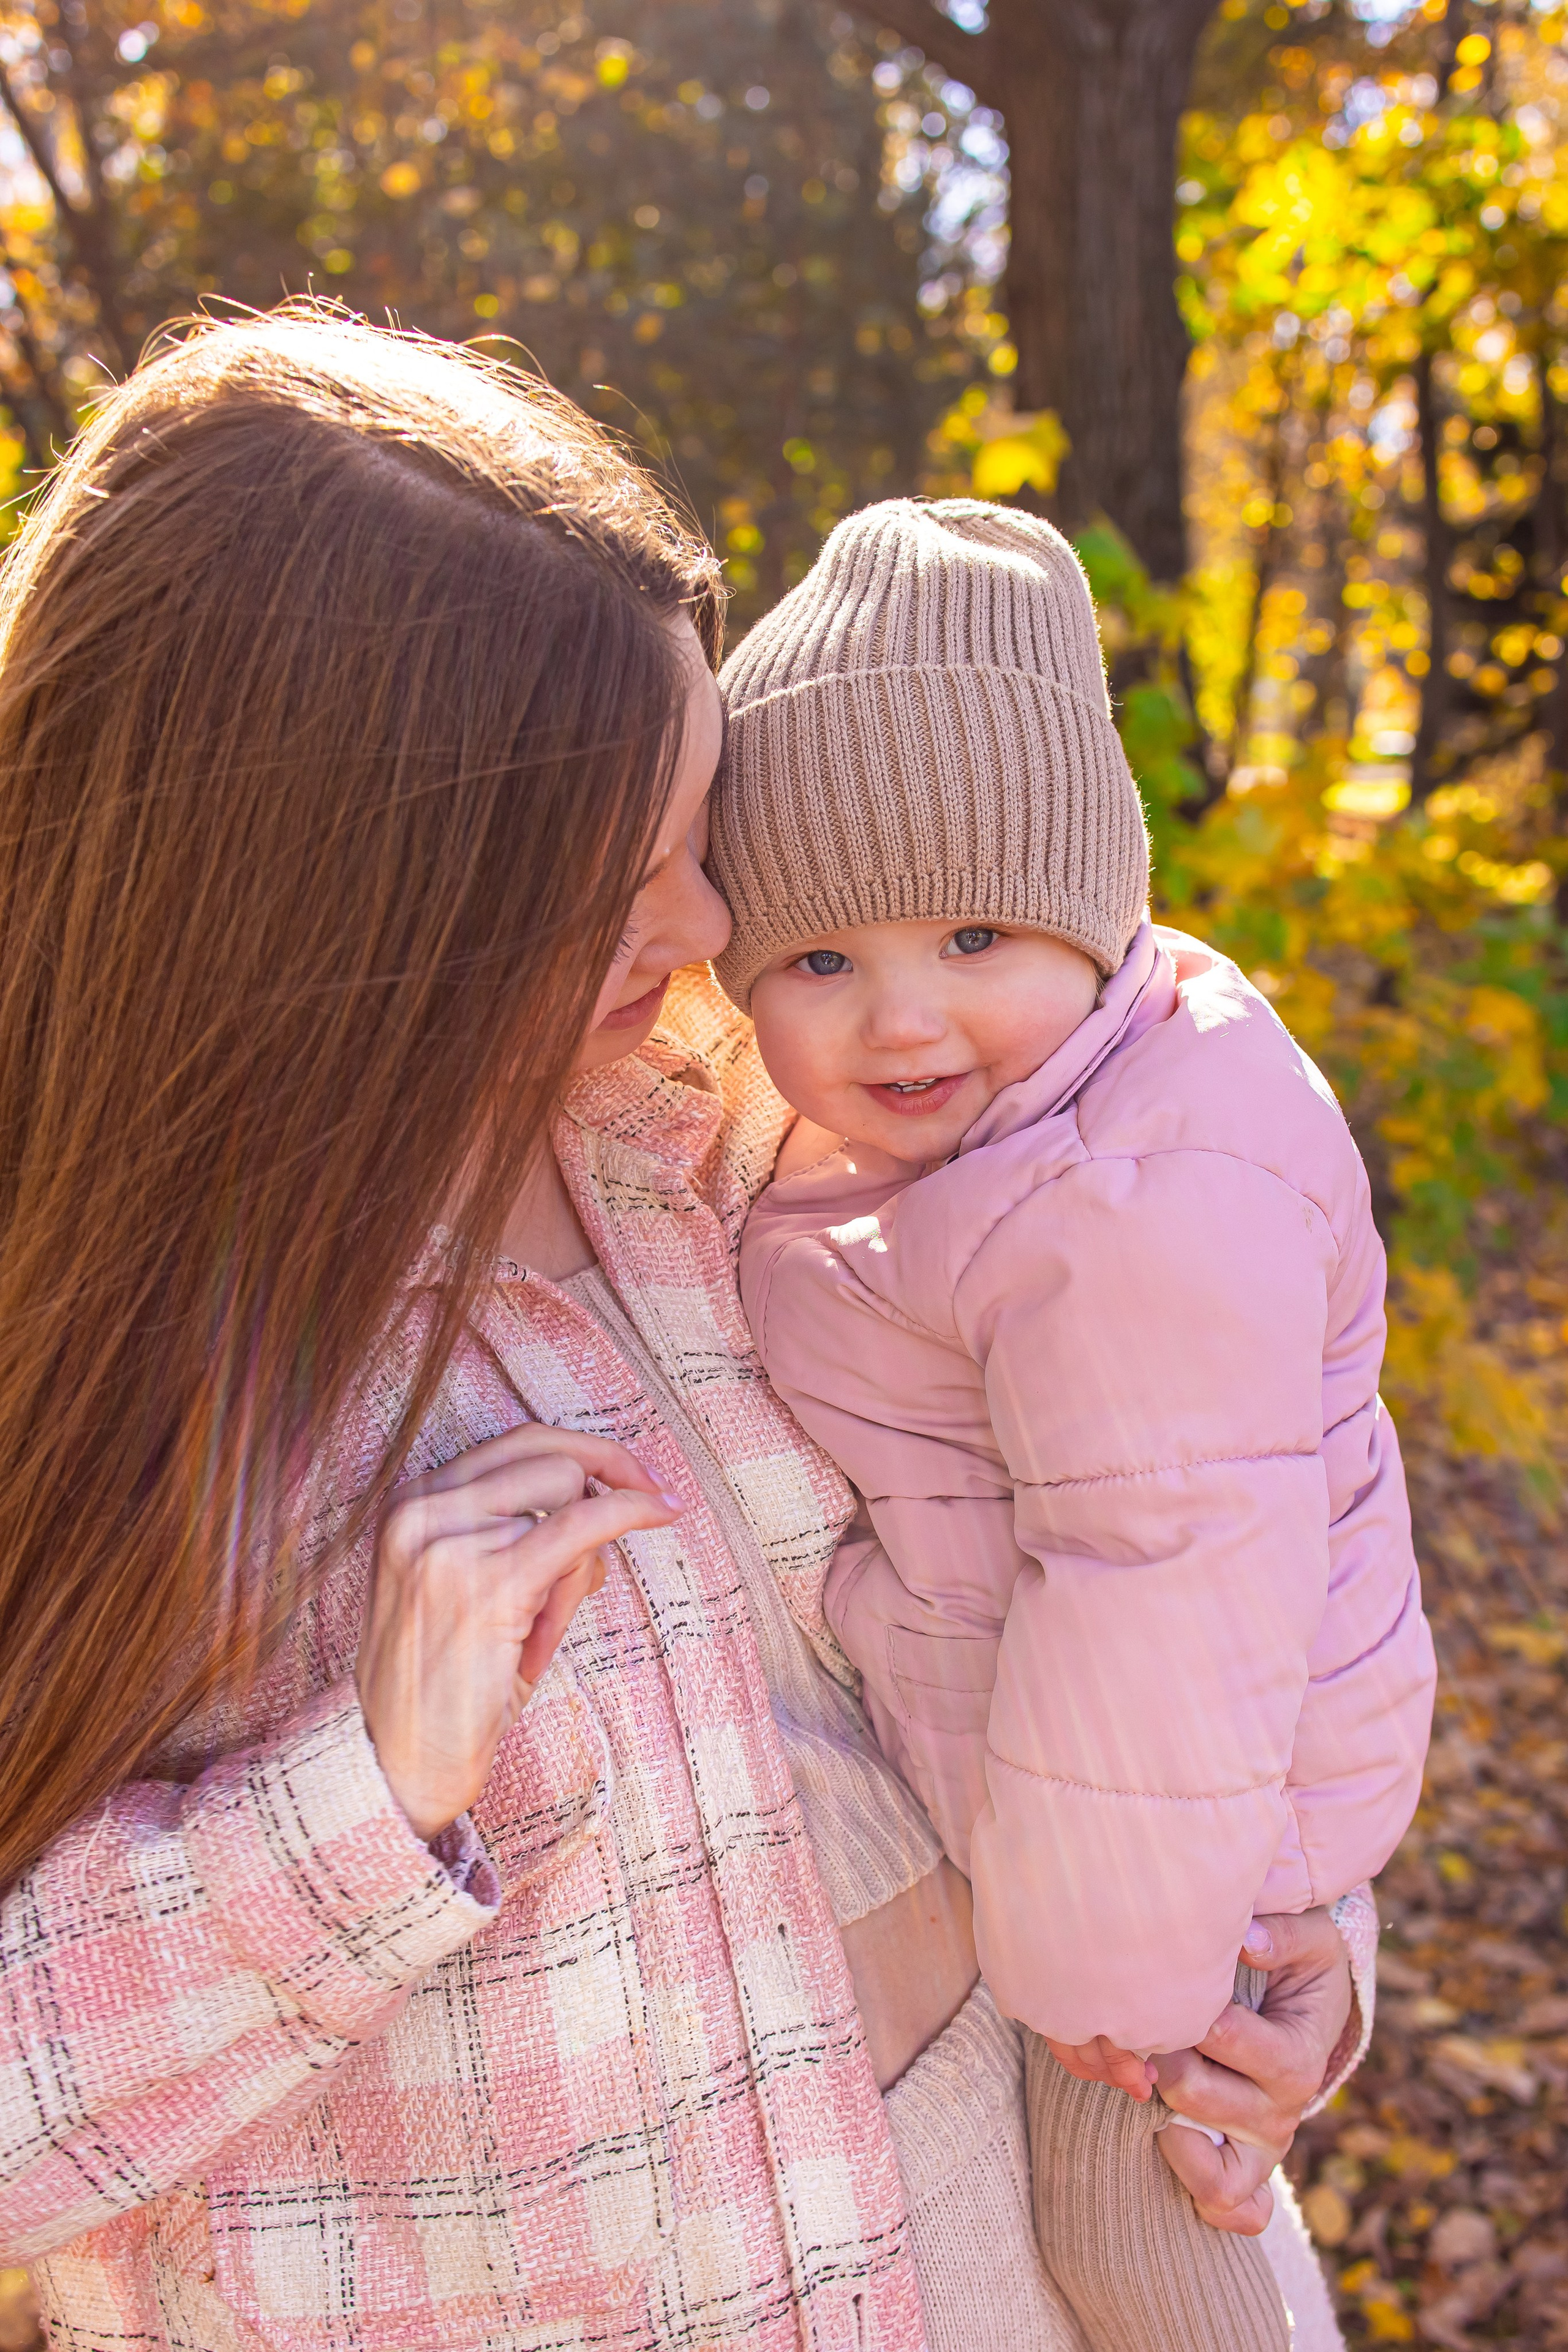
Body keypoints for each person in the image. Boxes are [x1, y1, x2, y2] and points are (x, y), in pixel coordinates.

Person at [0, 314, 1361, 2352]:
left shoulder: (734, 1122)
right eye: (612, 877)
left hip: (1071, 2245)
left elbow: (1166, 1521)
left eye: (697, 839)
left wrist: (1287, 1940)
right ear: (337, 889)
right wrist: (366, 1793)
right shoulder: (94, 1322)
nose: (713, 933)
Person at [712, 499, 1438, 2352]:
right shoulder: (1019, 1132)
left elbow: (1164, 1572)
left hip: (1164, 1897)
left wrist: (1118, 1985)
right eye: (819, 964)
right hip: (1130, 1838)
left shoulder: (1131, 1196)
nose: (901, 1019)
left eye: (973, 934)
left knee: (1151, 2258)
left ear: (1098, 908)